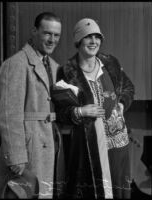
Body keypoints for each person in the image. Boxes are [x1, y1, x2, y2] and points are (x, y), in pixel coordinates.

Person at [55, 18, 134, 198]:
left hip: (118, 145)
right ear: (78, 41)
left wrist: (121, 103)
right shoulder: (67, 72)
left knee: (120, 191)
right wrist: (80, 111)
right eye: (88, 37)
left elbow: (128, 87)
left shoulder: (110, 62)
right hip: (89, 146)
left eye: (97, 37)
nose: (93, 41)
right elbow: (60, 112)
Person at [0, 12, 65, 199]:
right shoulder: (16, 64)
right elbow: (9, 115)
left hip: (48, 146)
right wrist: (16, 156)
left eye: (56, 35)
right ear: (34, 31)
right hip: (26, 150)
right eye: (47, 33)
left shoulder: (55, 67)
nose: (52, 40)